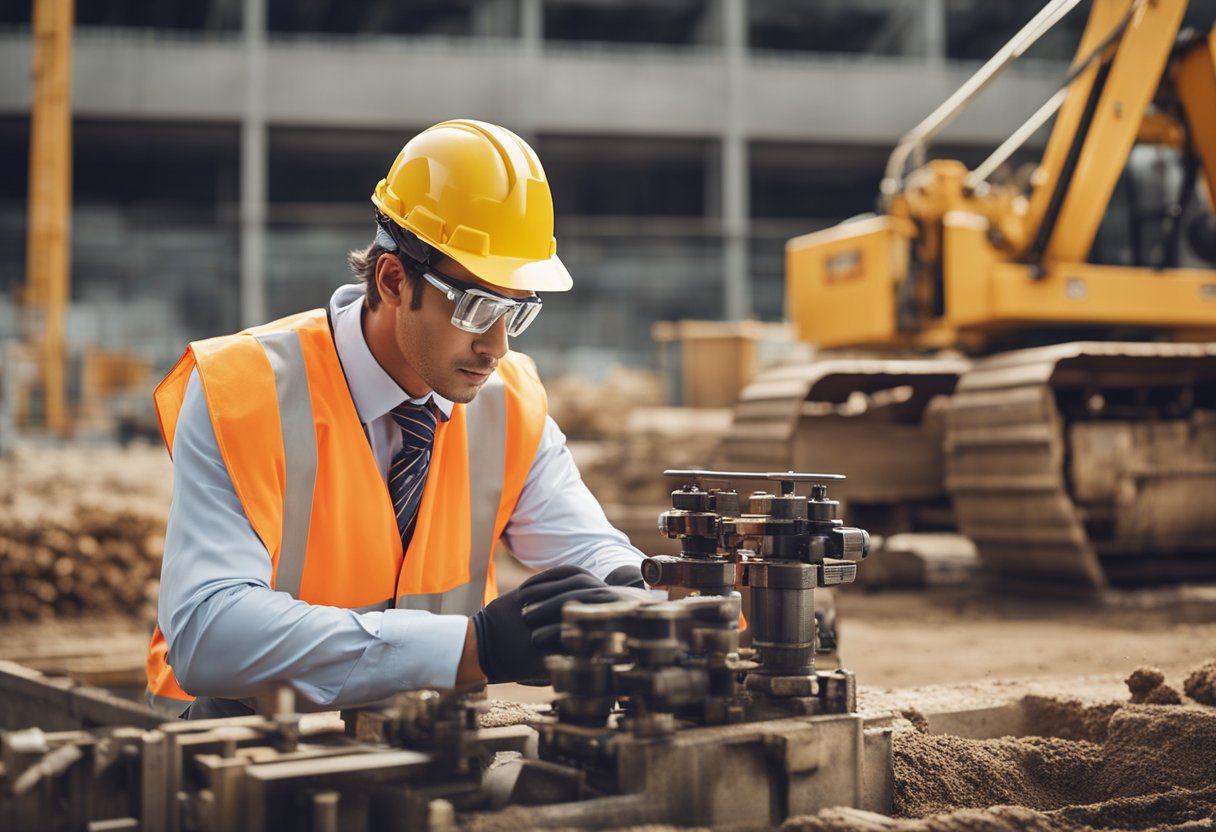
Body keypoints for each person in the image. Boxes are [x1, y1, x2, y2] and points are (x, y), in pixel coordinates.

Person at [146, 119, 654, 718]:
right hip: (233, 748)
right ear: (393, 280)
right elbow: (208, 633)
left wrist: (632, 595)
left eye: (516, 313)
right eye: (476, 306)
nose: (497, 347)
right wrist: (474, 646)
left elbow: (590, 548)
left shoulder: (509, 401)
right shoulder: (242, 388)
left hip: (421, 747)